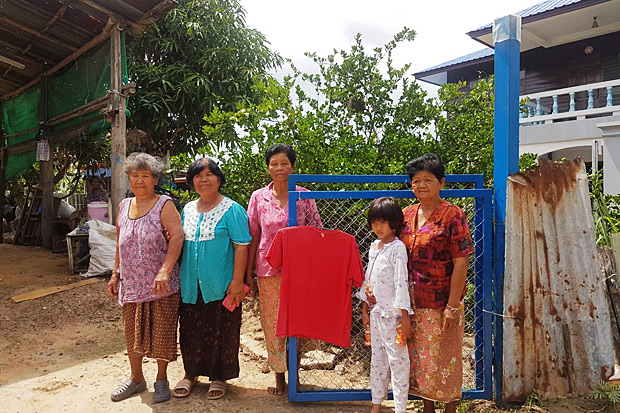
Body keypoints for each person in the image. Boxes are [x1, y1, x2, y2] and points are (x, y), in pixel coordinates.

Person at [107, 152, 184, 403]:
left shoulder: (164, 203)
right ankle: (136, 379)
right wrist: (115, 274)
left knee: (161, 331)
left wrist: (165, 270)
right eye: (135, 176)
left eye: (145, 176)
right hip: (131, 284)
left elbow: (178, 237)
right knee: (132, 332)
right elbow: (120, 242)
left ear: (154, 179)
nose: (140, 181)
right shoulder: (123, 205)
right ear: (129, 179)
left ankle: (161, 379)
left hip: (160, 284)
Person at [400, 153, 474, 413]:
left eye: (428, 180)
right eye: (416, 181)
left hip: (443, 302)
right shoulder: (406, 215)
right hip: (412, 303)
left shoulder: (453, 215)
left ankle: (451, 409)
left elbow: (461, 261)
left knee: (446, 358)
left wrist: (453, 305)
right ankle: (427, 408)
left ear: (441, 182)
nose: (421, 185)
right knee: (421, 360)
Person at [245, 143, 321, 395]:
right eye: (274, 163)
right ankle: (279, 377)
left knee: (297, 323)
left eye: (284, 163)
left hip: (299, 273)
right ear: (267, 167)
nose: (279, 168)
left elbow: (316, 232)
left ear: (293, 166)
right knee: (273, 323)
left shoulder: (304, 195)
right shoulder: (258, 197)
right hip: (268, 272)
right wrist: (248, 273)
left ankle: (295, 376)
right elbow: (253, 236)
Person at [172, 158, 251, 400]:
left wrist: (237, 281)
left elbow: (241, 246)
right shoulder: (187, 210)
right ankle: (191, 374)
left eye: (209, 174)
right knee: (190, 329)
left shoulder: (232, 209)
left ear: (219, 179)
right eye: (197, 175)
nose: (203, 179)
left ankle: (219, 377)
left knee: (222, 331)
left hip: (222, 284)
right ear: (191, 182)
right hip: (190, 284)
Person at [357, 197, 413, 413]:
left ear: (394, 223)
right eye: (374, 222)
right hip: (376, 314)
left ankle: (400, 408)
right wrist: (365, 305)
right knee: (377, 360)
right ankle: (376, 404)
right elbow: (368, 278)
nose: (378, 227)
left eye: (383, 222)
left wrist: (405, 319)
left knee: (398, 363)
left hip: (394, 317)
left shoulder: (397, 248)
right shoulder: (374, 246)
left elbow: (401, 283)